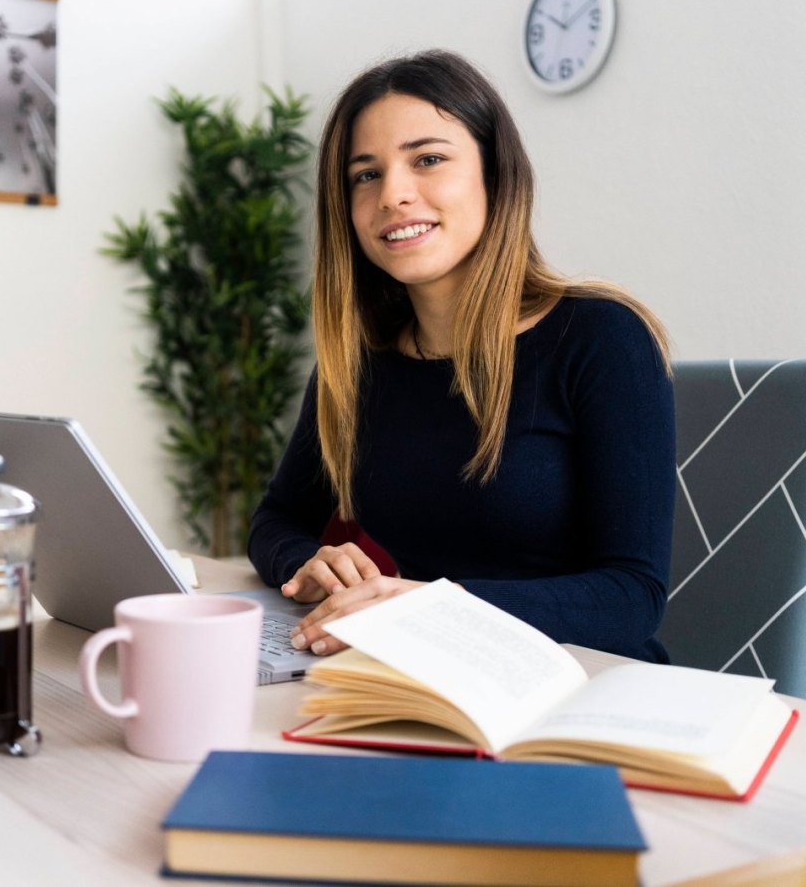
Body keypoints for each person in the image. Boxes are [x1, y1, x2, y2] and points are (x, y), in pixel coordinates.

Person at [247, 49, 676, 663]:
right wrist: (309, 561)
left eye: (428, 160)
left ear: (495, 175)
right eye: (364, 174)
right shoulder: (359, 362)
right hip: (425, 674)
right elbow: (276, 520)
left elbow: (633, 596)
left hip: (581, 682)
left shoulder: (603, 338)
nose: (393, 194)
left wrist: (431, 607)